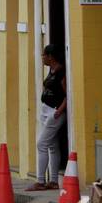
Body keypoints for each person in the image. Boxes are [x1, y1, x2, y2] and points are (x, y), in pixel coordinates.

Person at [31, 45, 68, 191]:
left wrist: (59, 110)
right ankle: (53, 180)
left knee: (42, 144)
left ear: (50, 56)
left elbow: (67, 94)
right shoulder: (51, 70)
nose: (43, 58)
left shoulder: (60, 73)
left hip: (54, 111)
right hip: (46, 109)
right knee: (52, 146)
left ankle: (40, 181)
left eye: (44, 55)